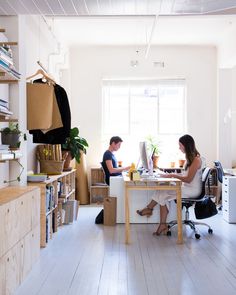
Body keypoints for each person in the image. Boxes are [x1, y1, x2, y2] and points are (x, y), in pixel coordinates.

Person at [137, 134, 204, 235]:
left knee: (163, 191)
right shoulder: (190, 158)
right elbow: (185, 175)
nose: (179, 147)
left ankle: (151, 211)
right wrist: (171, 175)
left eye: (180, 145)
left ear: (186, 145)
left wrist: (173, 175)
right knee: (162, 188)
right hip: (186, 187)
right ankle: (159, 221)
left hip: (192, 190)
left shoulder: (196, 160)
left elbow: (189, 179)